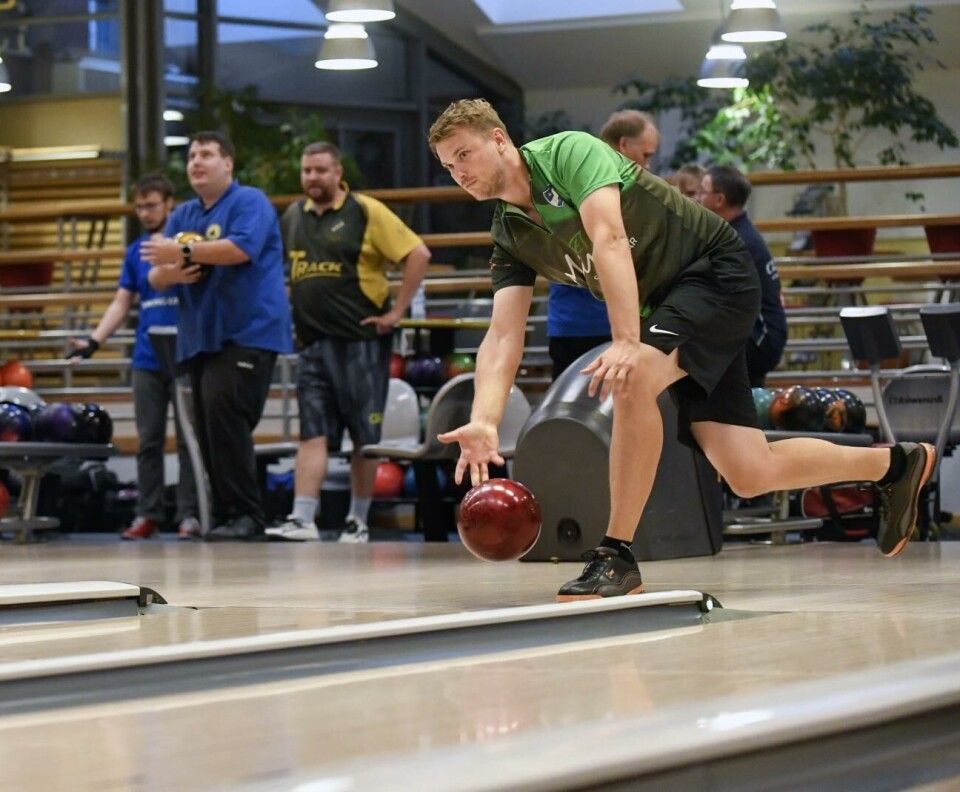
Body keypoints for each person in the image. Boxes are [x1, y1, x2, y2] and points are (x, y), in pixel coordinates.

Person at [427, 98, 935, 600]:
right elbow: (502, 333)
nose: (458, 173)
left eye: (464, 155)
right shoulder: (509, 231)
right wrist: (486, 418)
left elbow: (608, 237)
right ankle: (893, 465)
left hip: (712, 272)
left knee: (631, 379)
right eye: (448, 166)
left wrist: (628, 342)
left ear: (498, 139)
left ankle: (616, 556)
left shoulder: (568, 154)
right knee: (748, 471)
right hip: (668, 307)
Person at [266, 142, 431, 543]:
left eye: (321, 170)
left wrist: (396, 313)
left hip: (361, 343)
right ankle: (303, 519)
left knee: (363, 436)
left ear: (338, 173)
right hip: (311, 344)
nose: (313, 178)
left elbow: (418, 253)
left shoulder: (365, 210)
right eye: (307, 171)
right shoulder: (292, 216)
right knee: (312, 432)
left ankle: (357, 521)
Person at [143, 131, 293, 541]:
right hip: (199, 337)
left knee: (225, 418)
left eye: (206, 154)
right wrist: (172, 269)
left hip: (248, 332)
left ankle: (248, 515)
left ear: (228, 163)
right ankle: (231, 516)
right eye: (192, 155)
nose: (196, 162)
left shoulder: (250, 202)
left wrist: (184, 254)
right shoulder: (183, 216)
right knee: (208, 429)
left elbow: (239, 250)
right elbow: (156, 277)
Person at [67, 173, 200, 540]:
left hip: (187, 352)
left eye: (151, 205)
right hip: (147, 358)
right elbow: (122, 301)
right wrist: (94, 341)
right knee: (149, 441)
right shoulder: (135, 252)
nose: (144, 212)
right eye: (139, 206)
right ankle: (149, 513)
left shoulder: (189, 245)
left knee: (190, 439)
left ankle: (191, 515)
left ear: (169, 203)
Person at [547, 112, 661, 381]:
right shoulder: (581, 184)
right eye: (646, 155)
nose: (648, 166)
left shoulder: (620, 189)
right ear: (624, 146)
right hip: (589, 325)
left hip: (599, 324)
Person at [697, 164, 787, 387]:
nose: (697, 198)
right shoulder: (736, 233)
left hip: (760, 339)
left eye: (702, 191)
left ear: (719, 200)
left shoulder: (736, 242)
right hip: (754, 334)